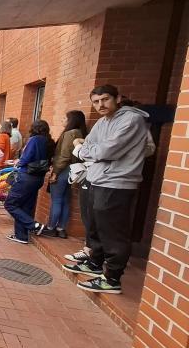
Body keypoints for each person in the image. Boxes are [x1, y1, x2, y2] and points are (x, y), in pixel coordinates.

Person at [63, 85, 154, 294]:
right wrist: (88, 149)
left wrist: (82, 148)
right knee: (95, 224)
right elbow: (92, 146)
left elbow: (105, 150)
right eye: (96, 101)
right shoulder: (102, 122)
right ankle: (95, 263)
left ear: (117, 98)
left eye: (105, 99)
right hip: (98, 179)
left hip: (117, 182)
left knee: (113, 231)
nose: (100, 105)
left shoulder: (131, 120)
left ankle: (112, 277)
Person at [38, 110, 88, 239]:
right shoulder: (81, 133)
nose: (63, 120)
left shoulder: (70, 133)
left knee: (57, 200)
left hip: (63, 169)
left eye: (65, 118)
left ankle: (51, 227)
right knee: (65, 201)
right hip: (72, 171)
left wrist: (55, 172)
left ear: (71, 120)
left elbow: (64, 155)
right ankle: (61, 229)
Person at [5, 120, 56, 244]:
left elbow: (26, 157)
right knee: (25, 206)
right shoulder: (49, 141)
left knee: (10, 204)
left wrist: (18, 162)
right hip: (38, 178)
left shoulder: (34, 140)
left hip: (26, 176)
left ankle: (34, 225)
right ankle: (21, 236)